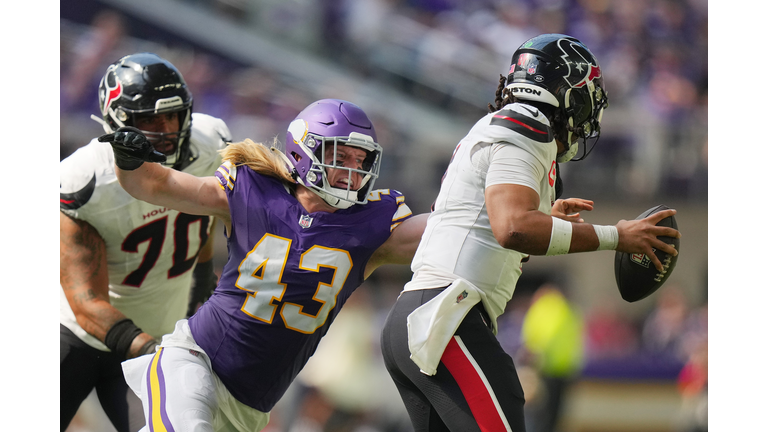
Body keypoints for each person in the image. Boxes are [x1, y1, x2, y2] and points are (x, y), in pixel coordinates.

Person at [380, 33, 682, 432]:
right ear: (568, 94)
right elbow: (513, 228)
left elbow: (494, 229)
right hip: (448, 318)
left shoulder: (497, 128)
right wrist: (615, 235)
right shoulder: (526, 126)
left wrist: (547, 217)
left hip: (422, 314)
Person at [101, 98, 429, 431]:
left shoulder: (370, 226)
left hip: (250, 408)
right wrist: (129, 161)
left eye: (360, 159)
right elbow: (155, 184)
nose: (352, 171)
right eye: (340, 157)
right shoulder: (253, 191)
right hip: (196, 358)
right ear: (303, 153)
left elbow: (446, 231)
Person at [60, 52, 231, 432]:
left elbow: (201, 219)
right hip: (80, 336)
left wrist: (201, 280)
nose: (166, 129)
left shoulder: (210, 143)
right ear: (116, 120)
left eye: (172, 115)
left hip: (160, 333)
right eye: (150, 119)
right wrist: (156, 353)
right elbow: (87, 303)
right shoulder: (86, 179)